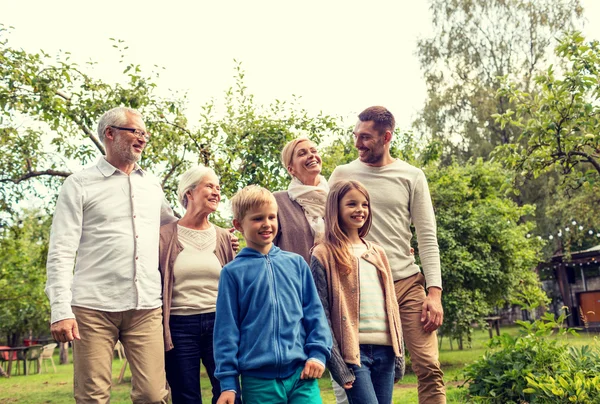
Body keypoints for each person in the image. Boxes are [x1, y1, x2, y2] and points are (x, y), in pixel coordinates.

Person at [45, 106, 176, 403]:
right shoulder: (78, 184)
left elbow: (172, 229)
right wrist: (60, 310)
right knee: (92, 397)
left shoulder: (152, 185)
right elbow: (62, 250)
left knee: (153, 395)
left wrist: (215, 234)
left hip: (146, 306)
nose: (143, 139)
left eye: (145, 134)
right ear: (110, 134)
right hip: (93, 307)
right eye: (136, 132)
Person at [329, 106, 446, 403]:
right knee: (356, 366)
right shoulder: (343, 174)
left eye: (366, 137)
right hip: (359, 285)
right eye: (356, 136)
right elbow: (327, 225)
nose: (358, 143)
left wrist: (434, 293)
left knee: (429, 366)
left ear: (387, 137)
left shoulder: (412, 176)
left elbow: (427, 237)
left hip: (405, 282)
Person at [213, 185, 332, 404]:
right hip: (258, 381)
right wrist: (228, 383)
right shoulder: (232, 273)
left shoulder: (297, 264)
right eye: (258, 218)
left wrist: (318, 354)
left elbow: (315, 315)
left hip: (302, 376)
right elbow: (226, 331)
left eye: (272, 217)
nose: (267, 224)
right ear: (238, 225)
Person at [311, 180, 403, 404]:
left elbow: (392, 306)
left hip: (386, 351)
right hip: (353, 354)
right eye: (352, 204)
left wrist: (399, 355)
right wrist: (338, 364)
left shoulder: (378, 252)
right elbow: (321, 314)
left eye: (364, 204)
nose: (360, 210)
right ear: (336, 209)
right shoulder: (323, 254)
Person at [159, 165, 242, 404]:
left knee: (229, 394)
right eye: (209, 186)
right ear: (190, 193)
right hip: (179, 326)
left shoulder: (225, 237)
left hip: (220, 324)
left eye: (218, 188)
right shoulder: (164, 236)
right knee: (186, 396)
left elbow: (233, 284)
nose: (216, 192)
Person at [273, 136, 328, 264]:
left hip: (332, 280)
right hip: (294, 280)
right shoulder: (278, 201)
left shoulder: (334, 200)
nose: (311, 155)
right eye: (302, 153)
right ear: (291, 169)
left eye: (314, 151)